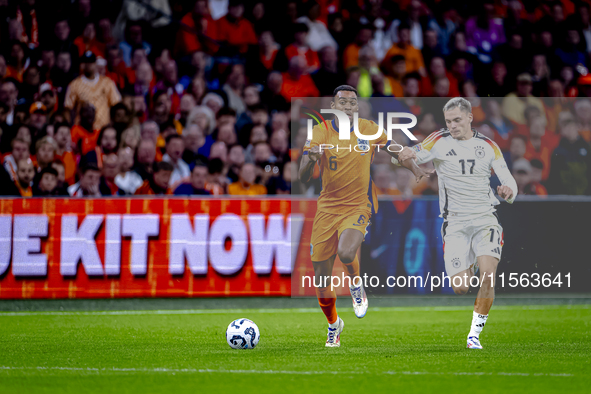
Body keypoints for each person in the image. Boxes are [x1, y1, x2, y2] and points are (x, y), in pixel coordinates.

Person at [298, 85, 429, 347]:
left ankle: (357, 287)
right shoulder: (320, 132)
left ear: (357, 108)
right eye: (342, 102)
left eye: (352, 102)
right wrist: (311, 159)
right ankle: (334, 325)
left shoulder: (369, 129)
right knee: (321, 279)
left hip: (358, 205)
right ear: (333, 107)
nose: (348, 106)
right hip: (327, 208)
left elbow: (397, 151)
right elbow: (301, 176)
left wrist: (414, 167)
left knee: (347, 253)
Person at [396, 97, 518, 350]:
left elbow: (509, 180)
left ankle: (474, 335)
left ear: (470, 117)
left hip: (486, 219)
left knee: (488, 275)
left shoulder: (489, 146)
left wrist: (508, 191)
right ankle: (469, 261)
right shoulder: (438, 140)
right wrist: (404, 155)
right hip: (455, 224)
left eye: (457, 120)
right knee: (460, 288)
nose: (452, 125)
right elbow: (410, 155)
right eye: (449, 121)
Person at [64, 50, 122, 130]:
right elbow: (68, 107)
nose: (89, 65)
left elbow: (116, 104)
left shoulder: (107, 82)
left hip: (103, 129)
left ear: (95, 64)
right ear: (82, 64)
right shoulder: (74, 84)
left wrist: (112, 125)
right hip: (82, 130)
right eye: (86, 62)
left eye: (91, 62)